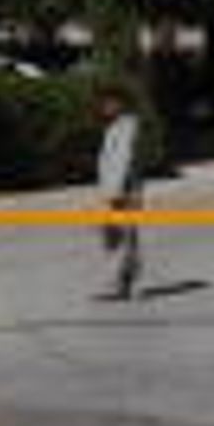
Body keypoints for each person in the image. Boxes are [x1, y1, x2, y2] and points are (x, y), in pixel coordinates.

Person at [96, 88, 145, 300]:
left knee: (123, 237)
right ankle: (125, 283)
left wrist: (115, 192)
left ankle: (124, 283)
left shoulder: (127, 127)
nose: (105, 108)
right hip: (115, 191)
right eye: (103, 104)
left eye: (109, 103)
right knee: (117, 237)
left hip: (123, 191)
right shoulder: (114, 127)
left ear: (120, 104)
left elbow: (123, 160)